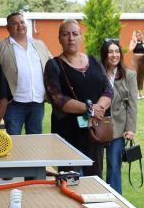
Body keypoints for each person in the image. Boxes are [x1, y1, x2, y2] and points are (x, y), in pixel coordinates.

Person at [44, 20, 113, 177]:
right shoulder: (53, 65)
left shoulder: (94, 61)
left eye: (75, 34)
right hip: (67, 134)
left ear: (81, 37)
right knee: (69, 180)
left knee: (95, 178)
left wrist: (98, 108)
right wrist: (90, 109)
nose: (71, 38)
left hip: (93, 131)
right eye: (65, 34)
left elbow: (108, 89)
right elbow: (58, 99)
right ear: (59, 38)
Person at [0, 12, 53, 135]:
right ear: (8, 28)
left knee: (35, 141)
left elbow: (52, 63)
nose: (20, 25)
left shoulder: (39, 44)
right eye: (15, 23)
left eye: (22, 22)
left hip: (37, 102)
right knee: (13, 140)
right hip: (13, 103)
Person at [100, 38, 138, 193]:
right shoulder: (97, 73)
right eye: (110, 51)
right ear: (104, 54)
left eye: (117, 51)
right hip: (98, 126)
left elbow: (133, 103)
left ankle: (115, 200)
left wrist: (131, 128)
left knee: (114, 165)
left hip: (118, 127)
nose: (114, 55)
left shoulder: (129, 74)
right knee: (95, 165)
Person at [129, 29, 144, 98]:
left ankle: (140, 93)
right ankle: (135, 93)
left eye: (139, 35)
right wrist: (135, 43)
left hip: (142, 59)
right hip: (135, 59)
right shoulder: (132, 41)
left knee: (141, 75)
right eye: (137, 35)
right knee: (135, 75)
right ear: (134, 36)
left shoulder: (143, 42)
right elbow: (131, 49)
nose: (138, 36)